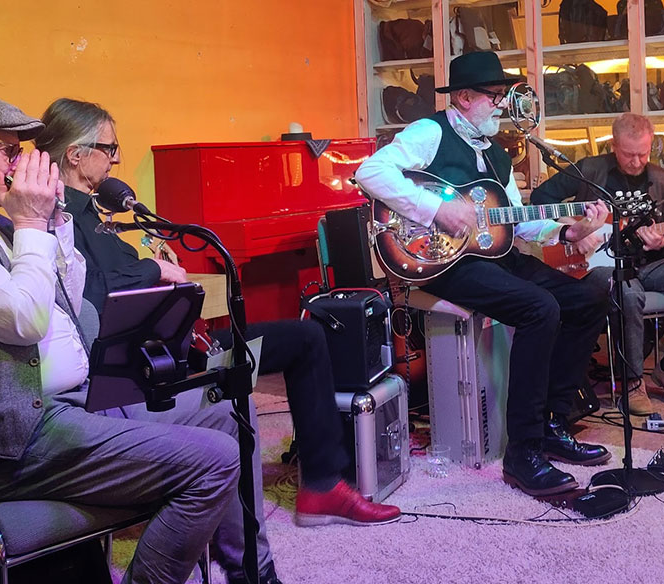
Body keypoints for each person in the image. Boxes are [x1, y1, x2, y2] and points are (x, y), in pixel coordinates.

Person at [0, 92, 242, 584]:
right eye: (5, 148)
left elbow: (68, 291)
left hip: (69, 408)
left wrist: (52, 220)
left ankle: (252, 570)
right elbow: (23, 317)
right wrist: (28, 222)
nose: (18, 162)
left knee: (227, 415)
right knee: (214, 461)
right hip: (8, 445)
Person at [34, 97, 401, 584]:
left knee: (306, 337)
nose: (117, 159)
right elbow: (94, 292)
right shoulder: (60, 219)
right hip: (152, 363)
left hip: (181, 343)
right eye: (109, 148)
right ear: (76, 154)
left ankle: (322, 485)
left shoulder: (100, 212)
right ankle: (263, 547)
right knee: (240, 388)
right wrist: (155, 268)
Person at [355, 51, 612, 498]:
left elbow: (519, 221)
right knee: (540, 308)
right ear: (465, 97)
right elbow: (370, 171)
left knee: (589, 298)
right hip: (442, 262)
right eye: (494, 96)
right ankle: (523, 453)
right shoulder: (430, 131)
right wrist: (437, 208)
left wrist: (570, 228)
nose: (501, 105)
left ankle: (553, 420)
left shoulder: (497, 154)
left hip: (495, 256)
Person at [531, 112, 664, 414]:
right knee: (628, 290)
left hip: (647, 263)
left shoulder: (662, 180)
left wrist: (662, 241)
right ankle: (632, 382)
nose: (636, 161)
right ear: (613, 146)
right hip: (594, 266)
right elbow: (538, 199)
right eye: (628, 154)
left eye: (643, 154)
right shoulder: (589, 170)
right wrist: (572, 231)